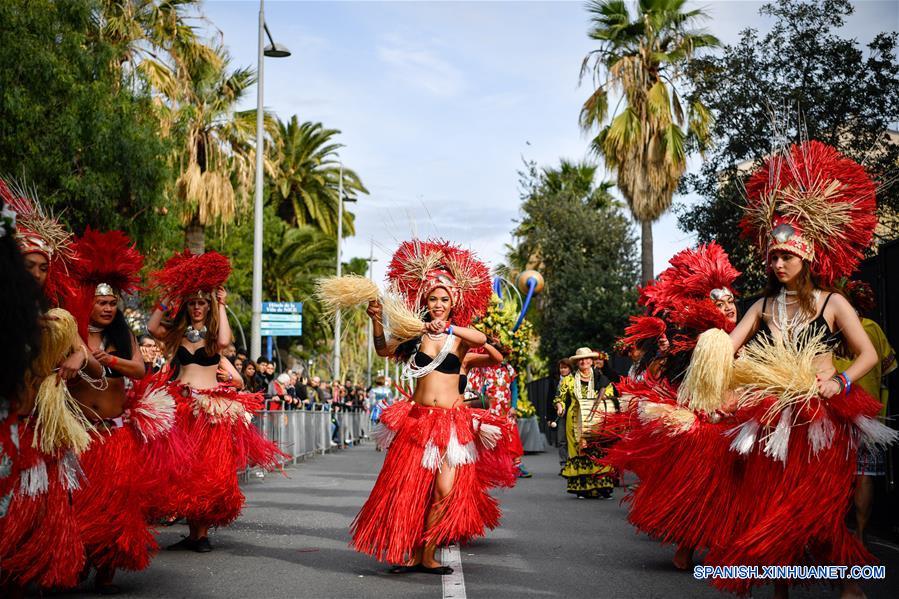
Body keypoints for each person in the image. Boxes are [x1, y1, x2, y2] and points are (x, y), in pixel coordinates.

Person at [703, 141, 894, 598]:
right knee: (771, 500)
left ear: (806, 257)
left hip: (822, 415)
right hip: (774, 414)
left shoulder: (833, 302)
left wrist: (840, 379)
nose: (778, 262)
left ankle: (849, 581)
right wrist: (712, 352)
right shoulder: (763, 306)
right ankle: (782, 585)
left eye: (786, 256)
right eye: (772, 256)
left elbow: (867, 353)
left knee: (823, 502)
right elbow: (729, 347)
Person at [346, 239, 508, 574]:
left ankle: (429, 552)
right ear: (425, 301)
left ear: (452, 304)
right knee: (408, 488)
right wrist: (377, 321)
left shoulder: (460, 336)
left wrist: (447, 328)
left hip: (450, 423)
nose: (437, 304)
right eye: (433, 299)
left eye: (444, 299)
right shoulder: (415, 334)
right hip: (418, 420)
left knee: (444, 489)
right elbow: (382, 350)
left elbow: (484, 342)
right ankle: (410, 553)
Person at [603, 241, 742, 571]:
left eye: (731, 300)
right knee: (702, 490)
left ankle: (724, 549)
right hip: (708, 425)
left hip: (738, 423)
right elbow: (685, 383)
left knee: (734, 492)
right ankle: (687, 547)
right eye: (719, 302)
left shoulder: (744, 335)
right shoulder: (701, 341)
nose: (728, 307)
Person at [148, 250, 283, 553]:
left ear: (207, 306)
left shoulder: (213, 338)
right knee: (183, 470)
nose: (197, 307)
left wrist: (221, 303)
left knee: (206, 469)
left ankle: (201, 534)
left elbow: (224, 341)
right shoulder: (178, 333)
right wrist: (167, 299)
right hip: (181, 407)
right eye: (193, 302)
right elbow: (152, 328)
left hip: (209, 410)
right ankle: (194, 534)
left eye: (202, 303)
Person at [0, 182, 98, 595]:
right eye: (29, 265)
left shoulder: (57, 317)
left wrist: (75, 360)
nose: (37, 274)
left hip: (41, 431)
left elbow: (90, 358)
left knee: (41, 515)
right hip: (9, 427)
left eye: (43, 267)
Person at [837, 281, 896, 548]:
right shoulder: (872, 329)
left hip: (834, 415)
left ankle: (834, 534)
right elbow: (888, 368)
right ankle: (860, 536)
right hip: (870, 418)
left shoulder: (831, 331)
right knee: (865, 474)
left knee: (834, 476)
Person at [554, 347, 617, 499]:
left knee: (598, 450)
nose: (584, 361)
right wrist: (560, 406)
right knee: (579, 451)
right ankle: (583, 488)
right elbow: (559, 398)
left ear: (591, 361)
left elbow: (610, 393)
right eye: (580, 360)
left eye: (587, 359)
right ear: (576, 362)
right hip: (575, 420)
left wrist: (603, 398)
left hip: (596, 418)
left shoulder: (600, 378)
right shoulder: (569, 380)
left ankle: (603, 488)